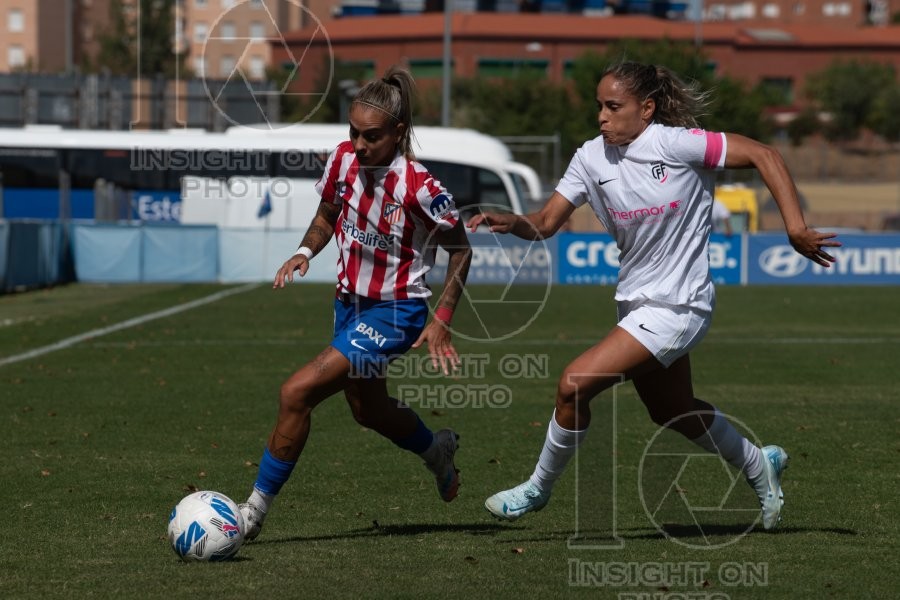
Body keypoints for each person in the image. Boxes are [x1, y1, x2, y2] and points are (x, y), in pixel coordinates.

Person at [467, 61, 840, 530]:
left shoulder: (677, 143)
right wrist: (512, 221)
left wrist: (795, 227)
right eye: (598, 105)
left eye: (613, 106)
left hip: (679, 306)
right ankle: (756, 462)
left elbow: (765, 154)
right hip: (636, 305)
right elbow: (543, 224)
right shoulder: (589, 158)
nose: (602, 116)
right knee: (672, 411)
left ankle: (537, 488)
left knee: (573, 383)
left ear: (646, 109)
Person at [239, 66, 473, 541]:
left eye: (372, 136)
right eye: (354, 132)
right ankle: (437, 453)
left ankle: (251, 514)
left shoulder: (420, 187)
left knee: (296, 392)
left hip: (395, 312)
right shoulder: (342, 160)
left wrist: (442, 318)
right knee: (369, 410)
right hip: (349, 305)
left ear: (398, 133)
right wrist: (305, 251)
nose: (360, 144)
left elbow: (462, 248)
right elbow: (328, 211)